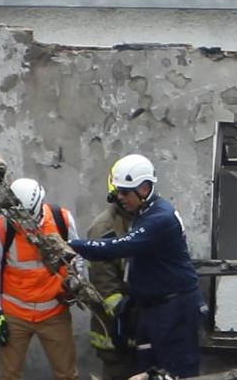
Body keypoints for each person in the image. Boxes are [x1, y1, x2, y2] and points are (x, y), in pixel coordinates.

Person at [65, 154, 203, 379]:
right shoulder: (144, 212)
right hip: (153, 308)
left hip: (174, 309)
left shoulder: (160, 218)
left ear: (145, 188)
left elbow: (120, 246)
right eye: (118, 192)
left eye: (125, 192)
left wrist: (71, 245)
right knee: (147, 371)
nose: (120, 198)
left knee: (174, 373)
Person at [0, 177, 81, 380]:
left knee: (67, 375)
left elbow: (78, 259)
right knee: (9, 375)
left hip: (54, 312)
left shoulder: (62, 220)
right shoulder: (2, 227)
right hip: (15, 314)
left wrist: (76, 287)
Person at [85, 158, 139, 380]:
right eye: (122, 192)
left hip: (145, 329)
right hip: (116, 333)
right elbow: (106, 287)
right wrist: (129, 318)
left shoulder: (147, 220)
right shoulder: (104, 229)